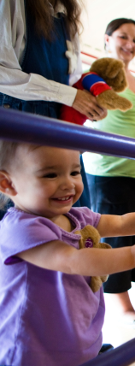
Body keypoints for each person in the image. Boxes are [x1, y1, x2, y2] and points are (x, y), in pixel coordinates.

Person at [0, 141, 135, 366]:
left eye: (74, 172)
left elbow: (122, 222)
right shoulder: (21, 228)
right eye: (50, 174)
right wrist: (134, 254)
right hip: (31, 362)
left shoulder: (78, 217)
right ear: (7, 184)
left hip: (80, 351)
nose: (68, 183)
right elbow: (71, 260)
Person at [82, 18, 135, 330]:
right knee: (118, 238)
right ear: (107, 39)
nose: (129, 44)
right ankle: (121, 306)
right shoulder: (96, 74)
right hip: (111, 170)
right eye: (123, 37)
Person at [0, 0, 106, 217]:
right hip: (20, 121)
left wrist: (88, 104)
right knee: (26, 218)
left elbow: (73, 78)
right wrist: (70, 96)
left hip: (59, 126)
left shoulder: (66, 16)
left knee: (73, 214)